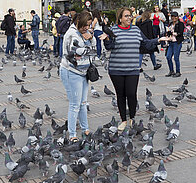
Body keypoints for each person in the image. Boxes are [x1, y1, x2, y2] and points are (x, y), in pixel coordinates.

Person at [101, 7, 168, 131]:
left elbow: (146, 43)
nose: (129, 18)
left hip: (132, 69)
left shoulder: (136, 30)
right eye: (126, 16)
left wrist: (158, 40)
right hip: (116, 69)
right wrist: (106, 40)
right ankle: (123, 120)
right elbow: (110, 47)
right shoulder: (114, 30)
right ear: (120, 18)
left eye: (130, 15)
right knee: (121, 95)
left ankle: (132, 118)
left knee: (131, 94)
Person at [59, 11, 96, 142]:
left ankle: (85, 128)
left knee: (83, 103)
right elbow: (74, 53)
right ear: (78, 21)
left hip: (84, 72)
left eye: (89, 25)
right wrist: (88, 46)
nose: (87, 28)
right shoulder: (71, 34)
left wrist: (91, 39)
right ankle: (72, 134)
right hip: (71, 72)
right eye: (85, 25)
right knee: (75, 104)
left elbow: (95, 50)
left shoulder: (84, 33)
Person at [165, 12, 184, 78]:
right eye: (172, 16)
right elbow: (167, 31)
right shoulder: (170, 24)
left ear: (177, 17)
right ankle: (171, 70)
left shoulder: (180, 24)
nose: (173, 18)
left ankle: (178, 72)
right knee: (168, 56)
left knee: (176, 57)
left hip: (177, 42)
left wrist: (173, 33)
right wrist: (167, 33)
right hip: (170, 42)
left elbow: (180, 32)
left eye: (175, 16)